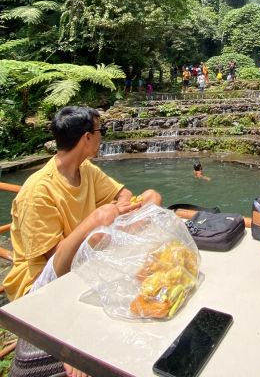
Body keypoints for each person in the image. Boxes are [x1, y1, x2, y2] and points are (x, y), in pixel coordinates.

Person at [4, 106, 161, 377]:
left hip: (83, 257)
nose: (103, 138)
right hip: (39, 284)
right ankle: (71, 346)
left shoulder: (86, 169)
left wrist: (123, 212)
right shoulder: (37, 192)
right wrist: (97, 219)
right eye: (100, 132)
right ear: (87, 138)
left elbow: (124, 194)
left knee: (152, 195)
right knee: (104, 235)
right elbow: (56, 267)